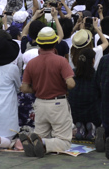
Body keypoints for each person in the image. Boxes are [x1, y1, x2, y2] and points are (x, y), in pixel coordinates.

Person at [18, 26, 76, 157]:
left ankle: (36, 141)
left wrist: (38, 88)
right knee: (64, 142)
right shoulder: (61, 60)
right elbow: (71, 84)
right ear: (55, 43)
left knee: (40, 134)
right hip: (57, 103)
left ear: (39, 43)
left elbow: (25, 88)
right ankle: (42, 142)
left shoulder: (32, 63)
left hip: (40, 103)